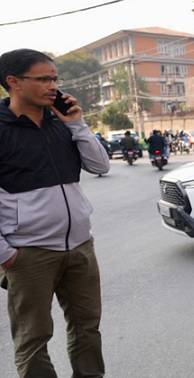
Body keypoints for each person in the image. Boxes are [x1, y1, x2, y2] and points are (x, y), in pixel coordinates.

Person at [0, 48, 111, 378]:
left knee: (87, 329)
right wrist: (6, 255)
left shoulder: (61, 123)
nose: (54, 86)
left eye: (55, 78)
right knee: (33, 338)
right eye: (44, 78)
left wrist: (77, 124)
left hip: (80, 247)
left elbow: (100, 165)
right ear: (14, 82)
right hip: (29, 254)